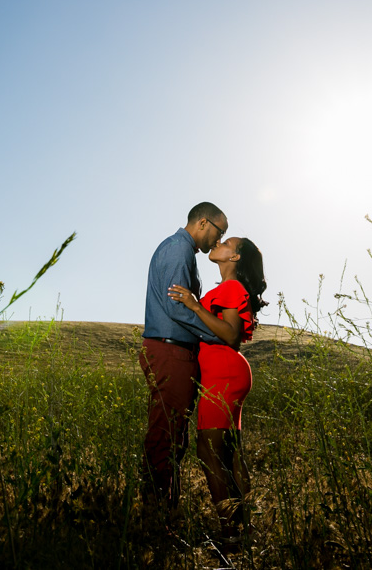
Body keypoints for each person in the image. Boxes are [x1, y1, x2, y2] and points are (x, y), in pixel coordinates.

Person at [168, 236, 266, 551]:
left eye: (228, 242)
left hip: (224, 373)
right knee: (229, 454)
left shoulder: (232, 288)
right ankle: (243, 530)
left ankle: (230, 535)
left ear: (234, 257)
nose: (219, 243)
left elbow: (230, 335)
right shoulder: (224, 288)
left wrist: (194, 305)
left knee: (210, 454)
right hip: (222, 373)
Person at [141, 202, 228, 513]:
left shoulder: (180, 250)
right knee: (166, 435)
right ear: (203, 223)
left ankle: (163, 512)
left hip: (174, 351)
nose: (218, 241)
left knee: (174, 435)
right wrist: (216, 335)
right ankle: (154, 515)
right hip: (171, 351)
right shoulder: (179, 250)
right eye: (219, 232)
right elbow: (177, 308)